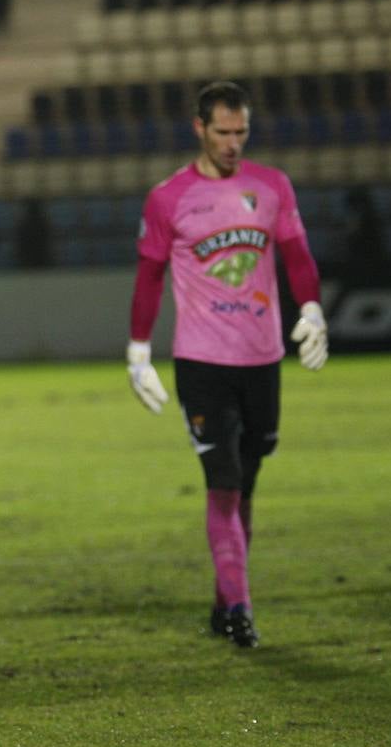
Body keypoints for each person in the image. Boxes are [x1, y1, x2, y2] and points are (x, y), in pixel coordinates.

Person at [126, 81, 328, 649]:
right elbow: (148, 276)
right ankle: (240, 610)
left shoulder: (271, 186)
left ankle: (223, 598)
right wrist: (138, 352)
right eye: (223, 132)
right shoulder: (169, 198)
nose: (234, 143)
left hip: (262, 358)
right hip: (202, 362)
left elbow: (296, 255)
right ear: (199, 128)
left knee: (249, 485)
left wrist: (312, 307)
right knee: (224, 482)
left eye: (241, 132)